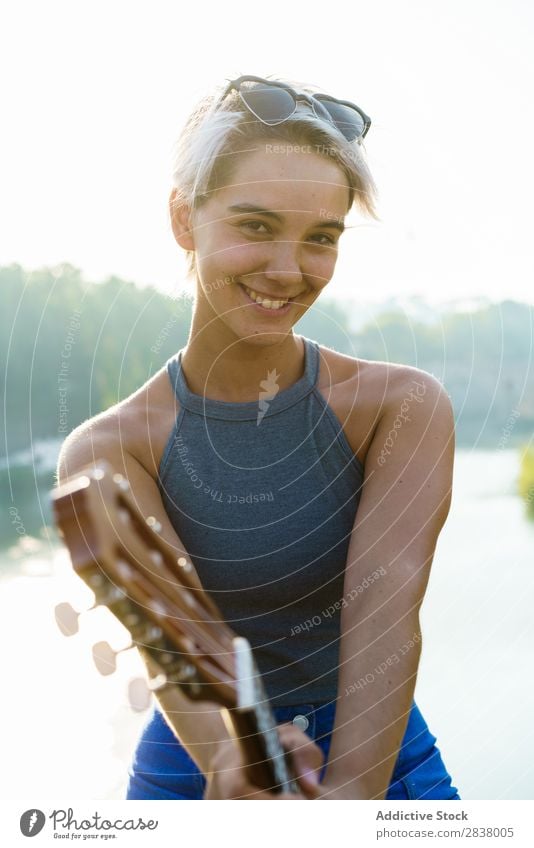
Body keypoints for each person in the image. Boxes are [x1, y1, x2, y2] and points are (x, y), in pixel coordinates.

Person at [57, 74, 460, 800]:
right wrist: (232, 761)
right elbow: (172, 652)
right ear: (185, 218)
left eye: (321, 238)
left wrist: (348, 803)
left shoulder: (403, 407)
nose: (288, 269)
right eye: (255, 225)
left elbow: (386, 613)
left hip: (386, 753)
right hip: (193, 767)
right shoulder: (103, 454)